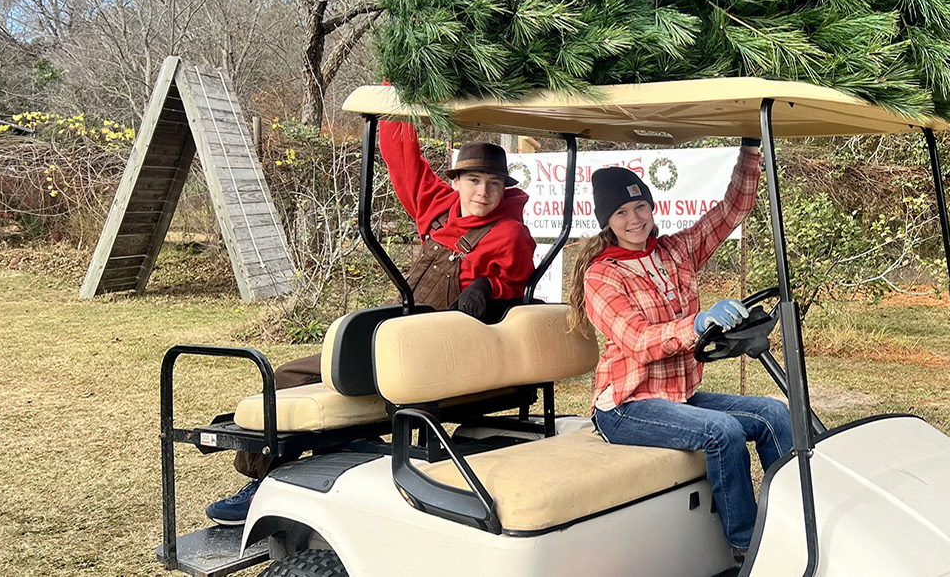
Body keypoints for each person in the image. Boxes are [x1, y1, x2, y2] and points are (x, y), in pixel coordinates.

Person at [205, 119, 537, 526]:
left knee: (291, 377)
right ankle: (314, 457)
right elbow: (403, 160)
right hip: (397, 328)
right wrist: (394, 97)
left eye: (493, 184)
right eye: (473, 180)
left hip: (435, 350)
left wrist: (487, 286)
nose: (483, 192)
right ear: (456, 181)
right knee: (299, 373)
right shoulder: (438, 210)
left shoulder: (510, 233)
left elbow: (516, 288)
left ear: (505, 188)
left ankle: (265, 481)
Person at [566, 140, 792, 560]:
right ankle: (748, 546)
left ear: (652, 208)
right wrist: (696, 324)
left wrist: (750, 151)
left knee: (774, 413)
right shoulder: (602, 276)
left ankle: (793, 520)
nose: (634, 219)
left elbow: (732, 212)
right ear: (607, 222)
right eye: (621, 213)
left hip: (677, 396)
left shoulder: (675, 250)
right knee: (722, 431)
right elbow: (637, 340)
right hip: (626, 406)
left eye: (640, 207)